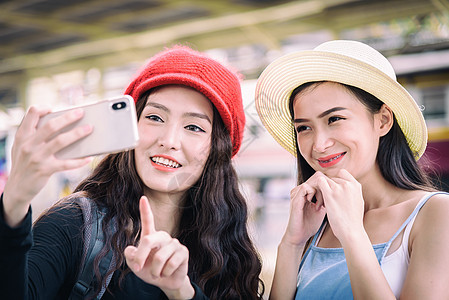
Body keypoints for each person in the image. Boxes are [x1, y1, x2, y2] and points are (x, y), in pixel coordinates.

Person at [0, 46, 264, 299]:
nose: (169, 140)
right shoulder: (74, 224)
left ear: (217, 150)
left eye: (194, 127)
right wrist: (14, 204)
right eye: (155, 118)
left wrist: (183, 293)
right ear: (131, 126)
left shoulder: (228, 251)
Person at [255, 40, 449, 299]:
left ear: (383, 121)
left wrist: (352, 232)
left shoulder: (435, 214)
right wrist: (292, 244)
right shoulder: (315, 224)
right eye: (303, 127)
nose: (319, 144)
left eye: (334, 119)